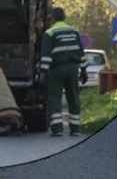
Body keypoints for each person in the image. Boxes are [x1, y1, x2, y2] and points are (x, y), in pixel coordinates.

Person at [40, 7, 88, 137]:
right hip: (73, 68)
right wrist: (84, 70)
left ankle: (57, 129)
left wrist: (43, 72)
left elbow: (46, 56)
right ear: (64, 17)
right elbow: (81, 52)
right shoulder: (74, 31)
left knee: (55, 97)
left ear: (52, 19)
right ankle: (75, 129)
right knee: (73, 97)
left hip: (57, 69)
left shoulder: (49, 33)